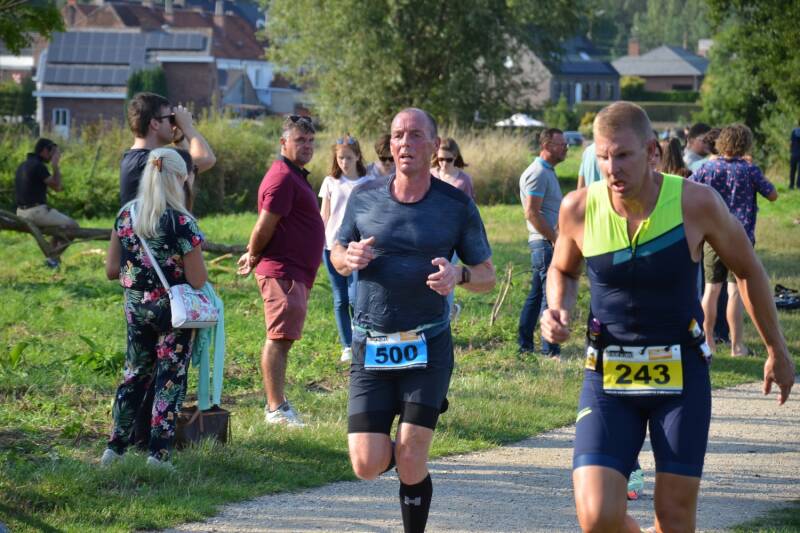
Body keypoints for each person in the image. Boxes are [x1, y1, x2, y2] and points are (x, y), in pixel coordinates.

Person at [541, 102, 794, 533]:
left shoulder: (695, 203)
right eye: (602, 156)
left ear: (653, 152)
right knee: (597, 516)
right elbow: (562, 269)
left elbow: (748, 269)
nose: (611, 167)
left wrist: (777, 349)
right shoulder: (578, 207)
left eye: (622, 155)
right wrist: (558, 307)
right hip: (607, 375)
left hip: (681, 375)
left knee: (675, 522)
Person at [330, 108, 495, 533]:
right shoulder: (364, 195)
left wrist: (458, 274)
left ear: (435, 146)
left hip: (428, 346)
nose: (405, 143)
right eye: (399, 135)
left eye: (416, 135)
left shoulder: (456, 205)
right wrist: (347, 258)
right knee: (366, 465)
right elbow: (335, 250)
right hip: (371, 345)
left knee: (410, 455)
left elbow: (486, 275)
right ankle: (405, 453)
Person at [101, 147, 208, 469]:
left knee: (134, 375)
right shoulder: (182, 222)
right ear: (178, 179)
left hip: (136, 309)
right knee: (170, 379)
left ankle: (115, 449)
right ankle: (158, 454)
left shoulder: (126, 215)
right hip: (174, 313)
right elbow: (198, 279)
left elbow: (110, 270)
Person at [236, 115, 325, 428]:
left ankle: (279, 405)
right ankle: (275, 409)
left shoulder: (295, 175)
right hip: (281, 270)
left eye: (311, 141)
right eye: (300, 140)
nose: (307, 147)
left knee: (284, 337)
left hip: (294, 271)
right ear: (283, 143)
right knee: (278, 338)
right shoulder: (282, 177)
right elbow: (264, 224)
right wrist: (253, 254)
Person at [691, 124, 778, 357]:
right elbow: (772, 194)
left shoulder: (708, 168)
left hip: (711, 236)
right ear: (745, 144)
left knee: (710, 289)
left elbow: (688, 186)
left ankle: (708, 341)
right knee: (735, 292)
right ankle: (736, 345)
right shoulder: (749, 170)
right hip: (741, 237)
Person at [319, 135, 372, 363]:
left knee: (355, 297)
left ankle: (361, 337)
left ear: (358, 156)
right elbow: (325, 214)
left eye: (349, 157)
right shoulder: (330, 182)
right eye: (340, 158)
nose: (344, 162)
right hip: (331, 246)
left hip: (357, 247)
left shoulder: (367, 182)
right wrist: (318, 242)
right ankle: (347, 345)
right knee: (340, 299)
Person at [517, 128, 567, 357]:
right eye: (560, 144)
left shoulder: (547, 171)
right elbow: (532, 213)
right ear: (546, 146)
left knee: (537, 294)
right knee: (550, 295)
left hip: (546, 243)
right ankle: (550, 350)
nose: (565, 147)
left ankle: (525, 344)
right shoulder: (537, 172)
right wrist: (554, 238)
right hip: (545, 244)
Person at [120, 92, 215, 206]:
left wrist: (179, 139)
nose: (174, 124)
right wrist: (187, 127)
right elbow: (206, 158)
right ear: (155, 124)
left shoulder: (134, 159)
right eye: (170, 119)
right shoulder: (155, 161)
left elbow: (188, 170)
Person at [14, 138, 78, 267]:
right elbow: (57, 187)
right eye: (53, 152)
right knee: (73, 226)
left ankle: (51, 257)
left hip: (20, 212)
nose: (54, 156)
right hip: (35, 213)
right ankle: (53, 258)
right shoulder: (39, 166)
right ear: (44, 151)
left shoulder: (24, 164)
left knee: (59, 226)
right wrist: (55, 166)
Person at [431, 137, 475, 322]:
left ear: (455, 158)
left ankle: (446, 318)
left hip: (453, 237)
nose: (444, 163)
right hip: (430, 234)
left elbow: (470, 210)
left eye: (448, 160)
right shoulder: (430, 174)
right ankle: (439, 313)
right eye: (440, 159)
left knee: (447, 275)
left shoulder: (464, 180)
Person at [790, 120, 800, 189]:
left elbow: (791, 143)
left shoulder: (794, 131)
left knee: (793, 170)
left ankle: (791, 185)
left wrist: (791, 151)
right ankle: (798, 185)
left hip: (794, 153)